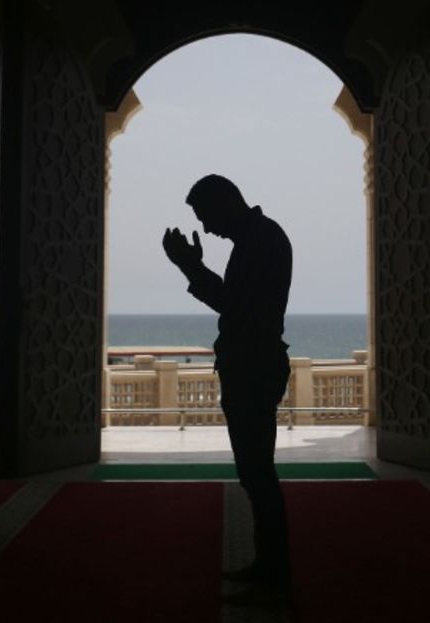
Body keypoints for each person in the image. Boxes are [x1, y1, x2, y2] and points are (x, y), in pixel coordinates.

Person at [162, 174, 293, 605]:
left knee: (258, 474)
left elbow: (235, 307)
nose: (208, 228)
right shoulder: (261, 238)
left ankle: (274, 573)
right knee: (256, 474)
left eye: (207, 217)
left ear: (225, 204)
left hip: (253, 369)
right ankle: (269, 565)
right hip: (255, 366)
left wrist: (190, 267)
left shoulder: (258, 243)